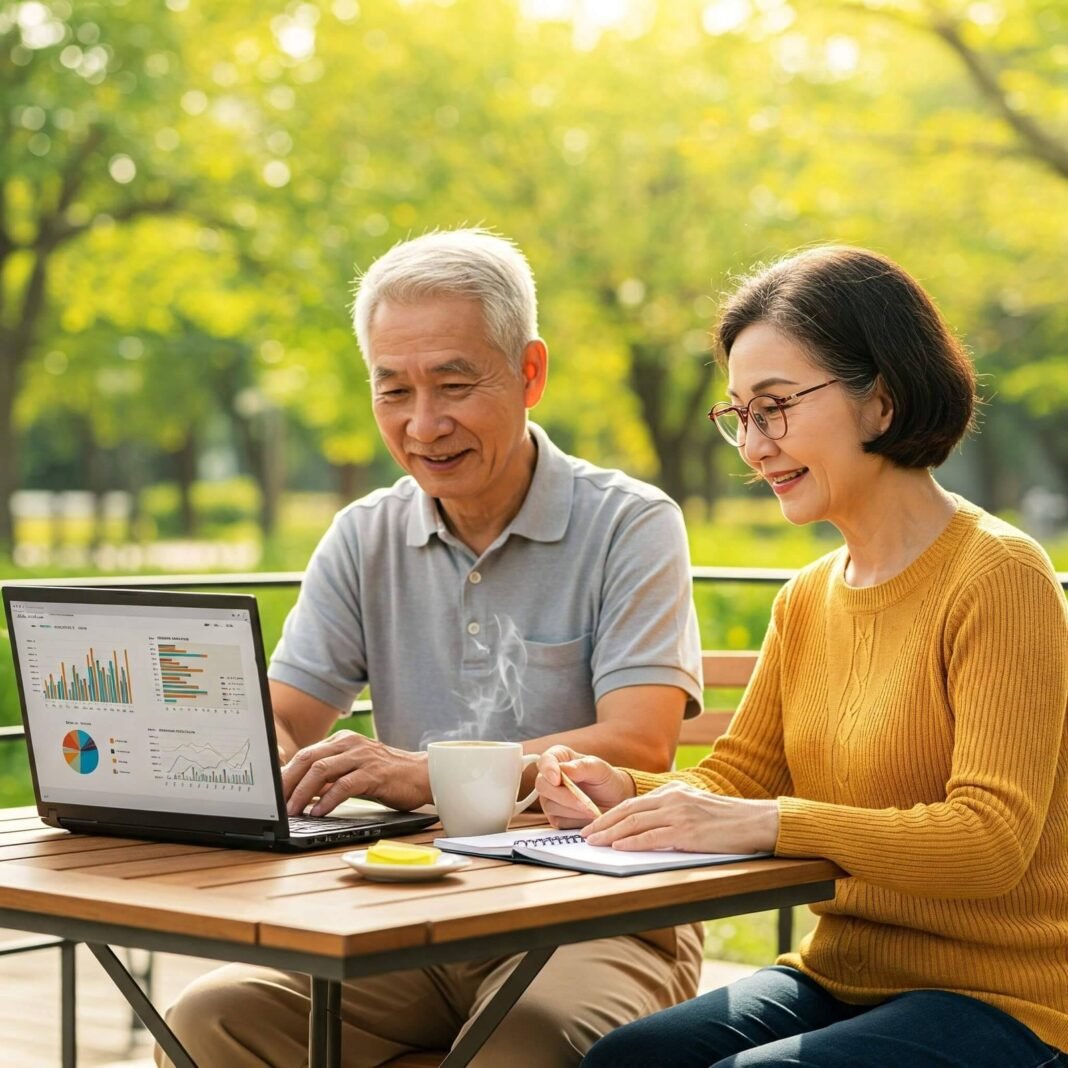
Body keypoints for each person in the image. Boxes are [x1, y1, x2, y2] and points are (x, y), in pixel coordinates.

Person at [156, 228, 706, 1067]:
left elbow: (639, 742)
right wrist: (261, 759)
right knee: (212, 1018)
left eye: (453, 384)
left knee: (529, 1042)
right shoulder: (363, 535)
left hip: (593, 915)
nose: (423, 424)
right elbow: (280, 716)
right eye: (393, 390)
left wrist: (427, 771)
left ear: (530, 372)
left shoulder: (631, 524)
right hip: (409, 911)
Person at [536, 246, 1068, 1068]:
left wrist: (766, 822)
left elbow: (990, 840)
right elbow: (737, 785)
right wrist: (628, 793)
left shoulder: (1001, 577)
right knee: (625, 1061)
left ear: (881, 402)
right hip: (842, 974)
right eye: (740, 416)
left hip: (1007, 1001)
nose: (753, 447)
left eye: (775, 407)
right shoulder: (808, 597)